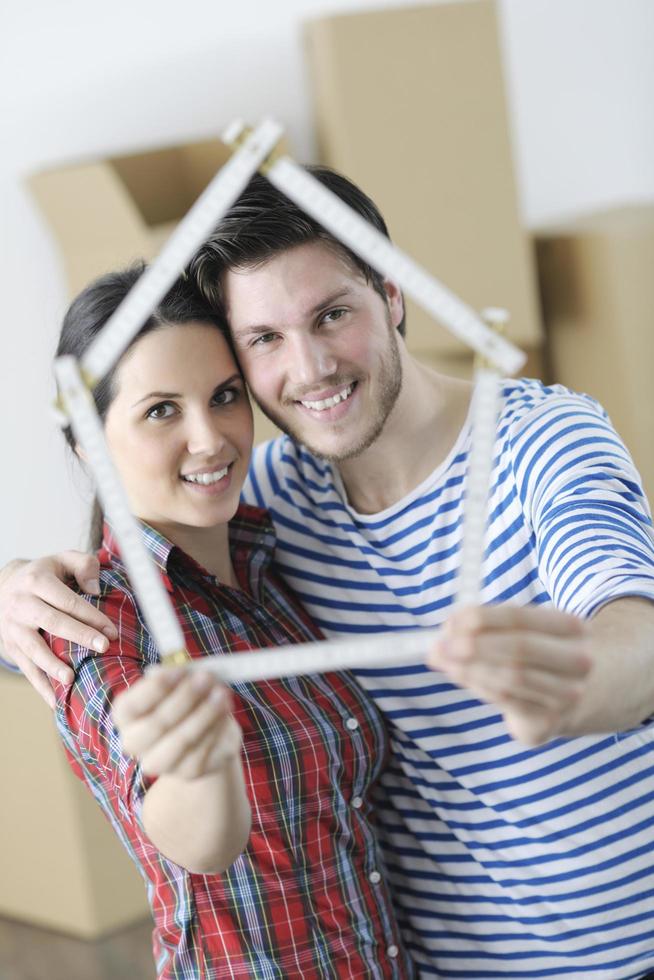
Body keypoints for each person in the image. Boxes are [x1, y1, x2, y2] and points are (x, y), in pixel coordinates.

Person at [2, 167, 654, 978]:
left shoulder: (544, 442)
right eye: (266, 341)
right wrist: (15, 585)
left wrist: (581, 677)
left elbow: (634, 629)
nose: (308, 369)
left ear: (393, 295)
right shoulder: (272, 499)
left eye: (331, 315)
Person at [26, 264, 413, 979]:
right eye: (161, 410)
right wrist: (197, 768)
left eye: (224, 396)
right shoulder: (95, 628)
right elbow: (195, 839)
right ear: (87, 439)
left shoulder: (273, 553)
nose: (210, 440)